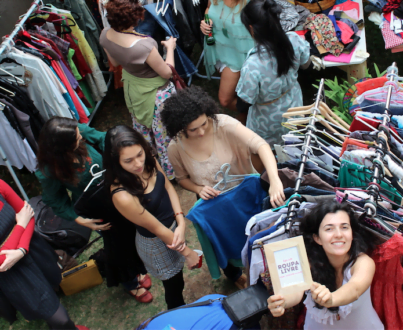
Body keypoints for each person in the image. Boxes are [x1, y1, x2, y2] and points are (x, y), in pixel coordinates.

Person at [161, 86, 285, 288]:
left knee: (256, 234)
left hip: (245, 195)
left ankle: (264, 266)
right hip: (214, 204)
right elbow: (181, 178)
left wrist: (275, 179)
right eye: (193, 129)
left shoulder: (224, 124)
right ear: (180, 127)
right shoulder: (175, 147)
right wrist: (197, 188)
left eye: (204, 123)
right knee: (223, 241)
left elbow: (261, 145)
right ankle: (234, 274)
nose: (201, 131)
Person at [35, 117, 153, 303]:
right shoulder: (50, 170)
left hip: (120, 193)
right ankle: (130, 282)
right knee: (117, 247)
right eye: (76, 138)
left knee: (135, 233)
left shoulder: (76, 130)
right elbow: (54, 199)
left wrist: (118, 157)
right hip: (98, 209)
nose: (81, 136)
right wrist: (77, 218)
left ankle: (138, 269)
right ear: (62, 147)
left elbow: (105, 138)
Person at [104, 125, 201, 310]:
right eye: (129, 160)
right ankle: (177, 315)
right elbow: (156, 228)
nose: (138, 163)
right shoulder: (121, 194)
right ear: (116, 162)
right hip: (157, 243)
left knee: (178, 279)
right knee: (174, 287)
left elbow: (168, 187)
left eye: (140, 154)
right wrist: (188, 252)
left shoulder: (149, 160)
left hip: (173, 230)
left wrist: (180, 222)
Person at [267, 201, 384, 330]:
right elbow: (295, 292)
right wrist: (282, 302)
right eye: (329, 229)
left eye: (344, 227)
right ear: (317, 238)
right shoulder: (306, 260)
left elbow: (354, 289)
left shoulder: (363, 262)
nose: (339, 234)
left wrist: (331, 299)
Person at [100, 0, 178, 179]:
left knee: (143, 131)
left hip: (133, 89)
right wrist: (170, 48)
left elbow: (115, 62)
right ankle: (170, 173)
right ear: (135, 19)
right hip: (155, 95)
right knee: (164, 136)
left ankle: (150, 164)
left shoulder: (104, 35)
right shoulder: (145, 45)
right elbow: (167, 73)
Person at [0, 180, 88, 330]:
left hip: (32, 249)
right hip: (13, 273)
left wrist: (22, 249)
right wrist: (20, 225)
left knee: (52, 286)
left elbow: (28, 213)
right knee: (60, 318)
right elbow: (2, 260)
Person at [236, 0, 311, 146]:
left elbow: (244, 103)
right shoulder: (294, 40)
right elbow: (307, 66)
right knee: (294, 148)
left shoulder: (253, 65)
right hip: (294, 107)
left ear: (251, 29)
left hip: (267, 122)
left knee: (267, 155)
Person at [200, 0, 255, 122]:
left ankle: (251, 111)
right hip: (218, 49)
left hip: (238, 55)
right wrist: (205, 23)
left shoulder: (250, 3)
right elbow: (209, 10)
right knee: (237, 89)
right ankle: (248, 108)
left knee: (225, 100)